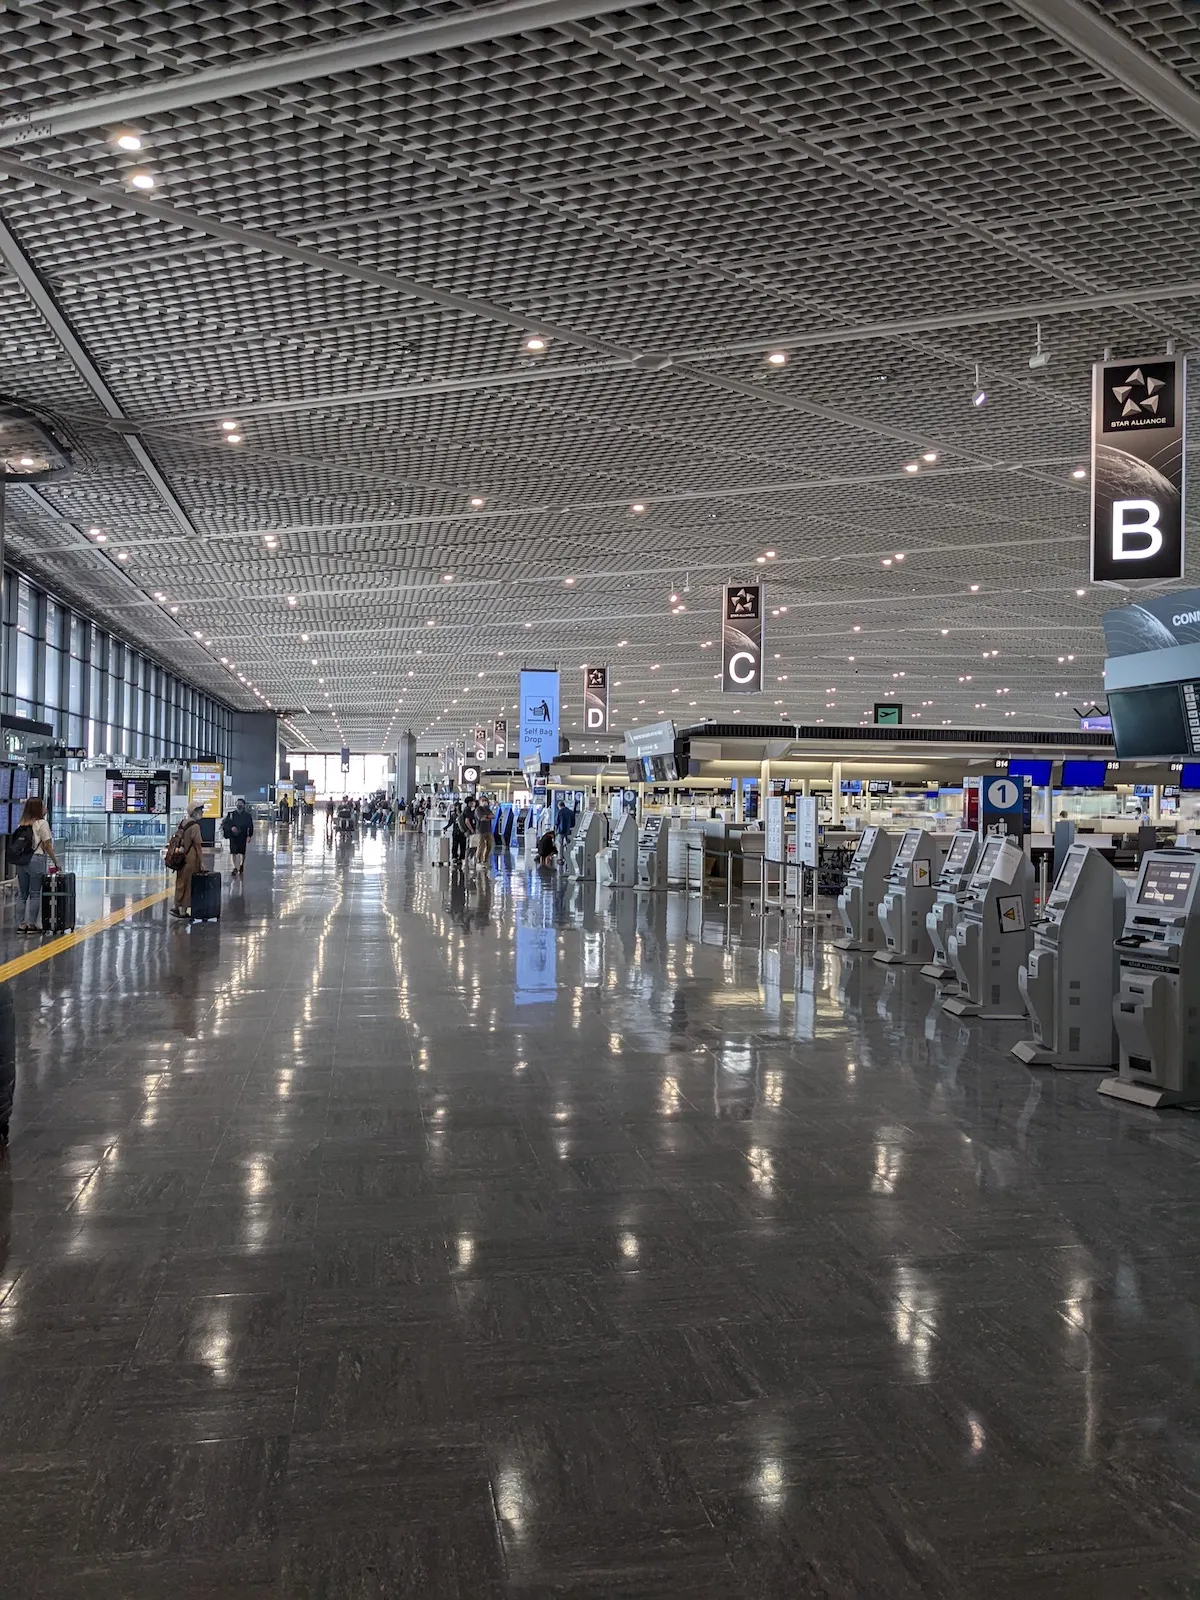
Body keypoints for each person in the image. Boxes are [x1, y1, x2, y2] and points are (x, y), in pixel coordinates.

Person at [10, 797, 60, 935]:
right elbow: (47, 845)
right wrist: (56, 861)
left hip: (22, 861)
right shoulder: (42, 824)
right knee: (35, 894)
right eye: (43, 806)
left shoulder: (21, 824)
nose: (46, 808)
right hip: (36, 859)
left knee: (22, 894)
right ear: (38, 809)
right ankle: (31, 924)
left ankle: (21, 925)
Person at [169, 803, 205, 918]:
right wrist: (202, 862)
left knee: (180, 882)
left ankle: (176, 906)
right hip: (190, 858)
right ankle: (183, 911)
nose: (202, 812)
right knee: (188, 884)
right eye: (200, 810)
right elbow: (198, 845)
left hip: (180, 857)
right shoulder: (195, 826)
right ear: (194, 812)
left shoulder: (183, 823)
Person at [223, 797, 254, 876]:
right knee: (234, 851)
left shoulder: (247, 816)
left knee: (242, 851)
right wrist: (231, 828)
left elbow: (250, 826)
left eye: (241, 804)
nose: (239, 805)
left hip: (243, 835)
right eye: (238, 803)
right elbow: (226, 824)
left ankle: (241, 864)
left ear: (244, 805)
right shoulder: (231, 814)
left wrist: (249, 835)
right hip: (233, 836)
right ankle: (236, 867)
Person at [475, 794, 494, 866]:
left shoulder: (487, 809)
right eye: (483, 800)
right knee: (481, 846)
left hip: (488, 830)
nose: (484, 802)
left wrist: (486, 817)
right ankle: (479, 860)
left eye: (485, 800)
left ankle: (485, 859)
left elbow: (493, 816)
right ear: (479, 801)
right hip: (480, 830)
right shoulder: (478, 809)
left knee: (489, 845)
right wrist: (488, 817)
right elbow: (481, 818)